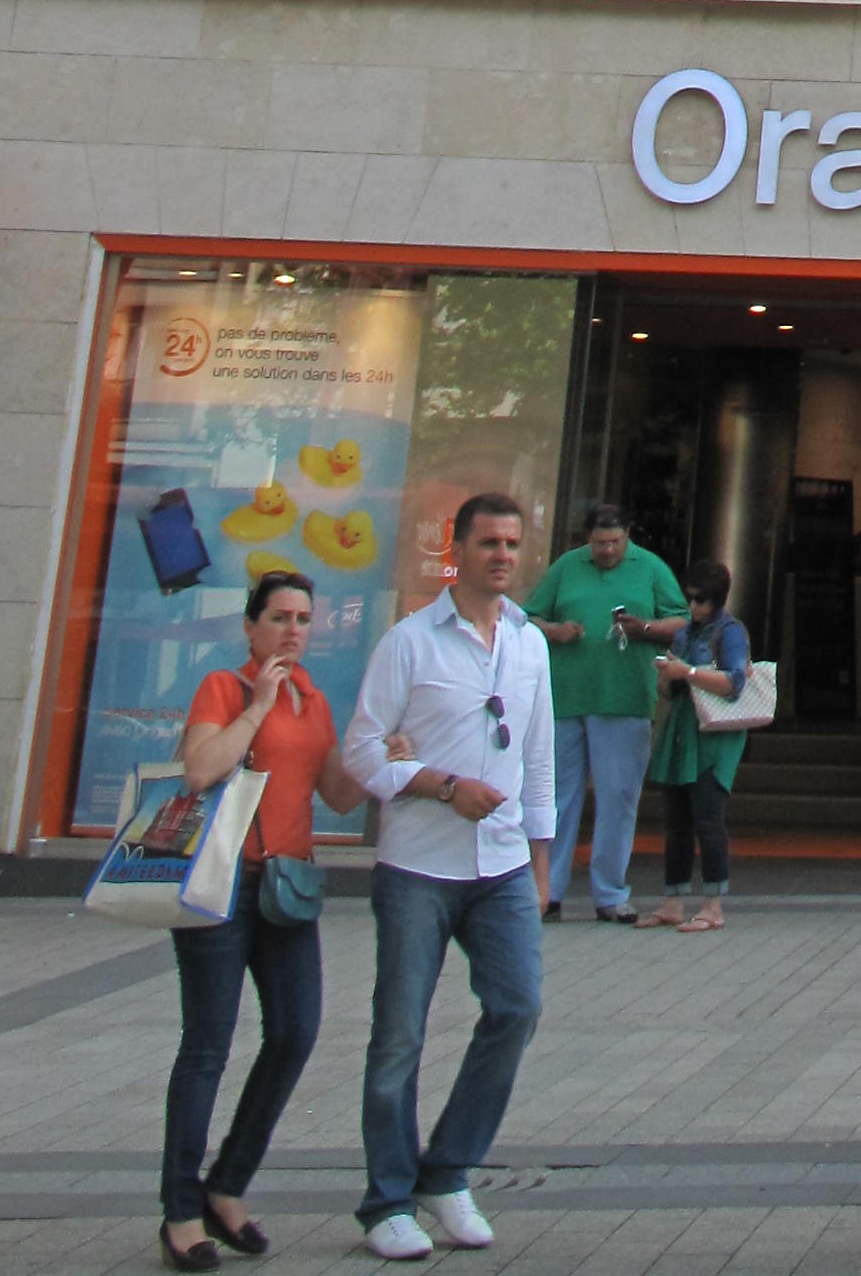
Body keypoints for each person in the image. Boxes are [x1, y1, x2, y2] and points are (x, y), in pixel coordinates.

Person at [338, 485, 556, 1265]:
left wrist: (539, 863)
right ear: (455, 551)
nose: (502, 555)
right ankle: (386, 1200)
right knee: (398, 1034)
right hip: (417, 867)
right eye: (487, 543)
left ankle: (447, 1171)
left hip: (499, 866)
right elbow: (362, 752)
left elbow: (537, 759)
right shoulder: (410, 642)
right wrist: (438, 784)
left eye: (511, 543)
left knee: (518, 1006)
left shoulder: (528, 643)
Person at [158, 565, 365, 1270]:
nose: (294, 631)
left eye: (304, 620)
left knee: (296, 1032)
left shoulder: (314, 699)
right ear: (251, 627)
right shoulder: (226, 685)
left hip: (288, 886)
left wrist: (380, 760)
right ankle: (181, 1212)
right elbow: (197, 770)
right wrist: (256, 704)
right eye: (280, 618)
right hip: (220, 886)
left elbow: (336, 794)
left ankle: (228, 1185)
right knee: (208, 1047)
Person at [524, 499, 683, 924]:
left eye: (614, 542)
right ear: (586, 540)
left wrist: (645, 628)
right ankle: (548, 891)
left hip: (625, 698)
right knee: (556, 798)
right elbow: (528, 616)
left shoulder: (650, 567)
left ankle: (610, 893)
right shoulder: (567, 566)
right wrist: (555, 630)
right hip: (566, 697)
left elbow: (681, 621)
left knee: (619, 798)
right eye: (598, 543)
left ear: (627, 535)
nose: (607, 551)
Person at [644, 556, 750, 927]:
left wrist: (687, 672)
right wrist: (669, 676)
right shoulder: (686, 632)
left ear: (717, 600)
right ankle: (673, 901)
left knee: (707, 818)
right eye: (690, 599)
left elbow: (735, 683)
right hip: (681, 730)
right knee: (676, 821)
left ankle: (712, 905)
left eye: (701, 600)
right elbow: (671, 686)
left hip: (712, 737)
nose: (693, 607)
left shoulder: (730, 631)